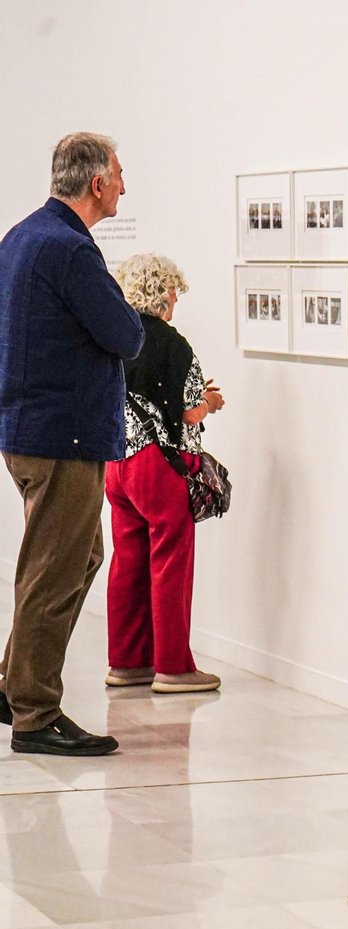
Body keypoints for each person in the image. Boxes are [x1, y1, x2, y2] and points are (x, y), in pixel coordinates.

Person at [0, 132, 142, 757]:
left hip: (31, 428)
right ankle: (34, 714)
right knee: (54, 569)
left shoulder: (24, 235)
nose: (123, 187)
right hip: (64, 434)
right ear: (95, 184)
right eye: (118, 175)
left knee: (75, 559)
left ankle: (14, 685)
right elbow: (127, 334)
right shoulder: (70, 250)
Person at [105, 254, 225, 694]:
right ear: (163, 295)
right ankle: (173, 667)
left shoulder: (114, 337)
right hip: (157, 465)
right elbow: (189, 413)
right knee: (171, 561)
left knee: (127, 560)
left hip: (115, 463)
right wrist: (210, 403)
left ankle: (126, 662)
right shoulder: (174, 345)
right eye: (174, 291)